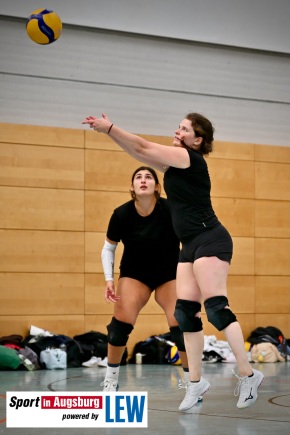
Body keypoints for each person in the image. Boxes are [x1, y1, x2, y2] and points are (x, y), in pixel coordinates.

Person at [82, 112, 264, 410]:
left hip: (211, 239)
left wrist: (111, 127)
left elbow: (141, 146)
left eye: (184, 129)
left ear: (198, 139)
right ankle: (195, 383)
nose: (177, 131)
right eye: (178, 126)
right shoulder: (173, 164)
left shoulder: (187, 158)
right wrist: (110, 135)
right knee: (184, 314)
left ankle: (249, 374)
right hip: (190, 246)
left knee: (216, 309)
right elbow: (135, 152)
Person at [99, 165, 189, 392]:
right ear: (132, 186)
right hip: (135, 273)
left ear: (157, 187)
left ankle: (192, 382)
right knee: (119, 326)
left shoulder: (171, 209)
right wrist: (109, 279)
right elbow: (108, 248)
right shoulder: (121, 214)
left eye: (149, 177)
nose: (143, 180)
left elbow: (190, 240)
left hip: (169, 273)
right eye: (138, 177)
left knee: (182, 324)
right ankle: (111, 379)